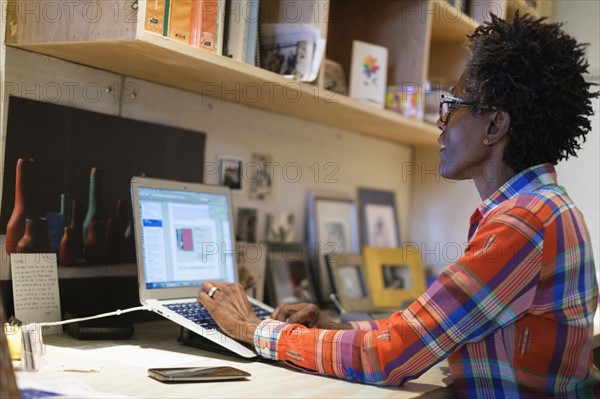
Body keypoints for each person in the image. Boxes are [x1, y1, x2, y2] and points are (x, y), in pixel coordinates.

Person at [198, 13, 600, 398]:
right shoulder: (547, 209)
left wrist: (250, 329)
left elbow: (388, 360)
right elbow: (417, 332)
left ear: (494, 126)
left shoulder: (523, 222)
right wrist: (334, 327)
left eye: (452, 105)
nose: (441, 122)